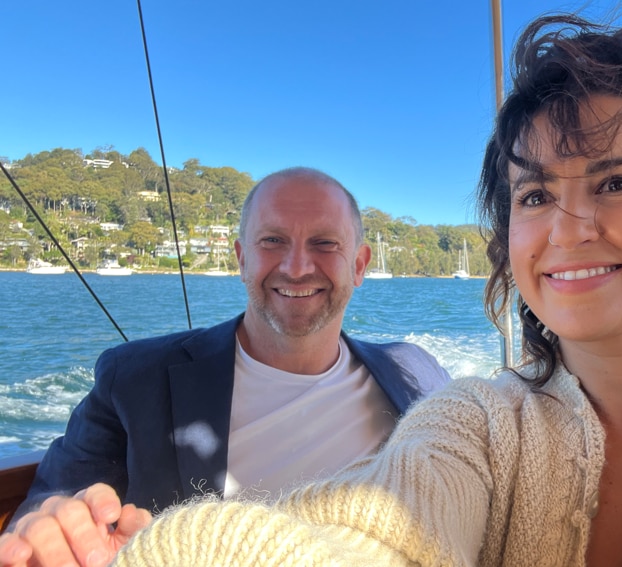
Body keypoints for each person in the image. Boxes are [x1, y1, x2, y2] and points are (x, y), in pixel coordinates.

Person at [9, 12, 622, 566]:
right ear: (238, 255)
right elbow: (383, 533)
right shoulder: (475, 420)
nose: (568, 225)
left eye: (617, 181)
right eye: (533, 194)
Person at [0, 167, 450, 566]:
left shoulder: (417, 372)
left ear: (359, 265)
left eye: (324, 243)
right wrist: (55, 529)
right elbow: (48, 502)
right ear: (240, 258)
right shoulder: (135, 379)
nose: (296, 267)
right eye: (273, 241)